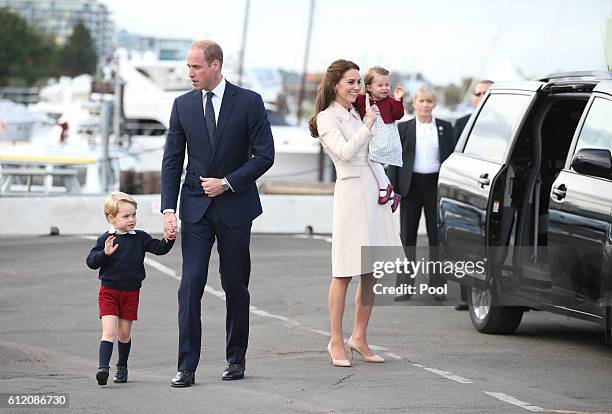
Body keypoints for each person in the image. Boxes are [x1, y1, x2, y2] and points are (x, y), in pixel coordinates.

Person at [161, 40, 274, 387]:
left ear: (215, 65)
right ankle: (186, 367)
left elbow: (265, 156)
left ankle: (235, 358)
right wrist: (168, 209)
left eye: (195, 67)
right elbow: (171, 160)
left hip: (236, 208)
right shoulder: (182, 106)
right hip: (194, 209)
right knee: (189, 285)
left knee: (235, 285)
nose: (190, 73)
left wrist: (226, 183)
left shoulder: (249, 102)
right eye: (188, 67)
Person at [308, 59, 403, 367]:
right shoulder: (327, 118)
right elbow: (346, 153)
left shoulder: (359, 109)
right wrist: (368, 126)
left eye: (358, 81)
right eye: (350, 81)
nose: (356, 87)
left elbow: (379, 148)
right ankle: (335, 340)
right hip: (351, 194)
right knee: (344, 272)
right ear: (335, 84)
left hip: (374, 191)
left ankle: (359, 337)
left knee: (370, 271)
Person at [86, 192, 175, 386]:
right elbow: (91, 262)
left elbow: (159, 248)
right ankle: (103, 368)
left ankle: (122, 366)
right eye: (126, 216)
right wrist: (105, 253)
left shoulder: (140, 238)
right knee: (109, 331)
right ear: (111, 217)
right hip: (108, 292)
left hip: (131, 293)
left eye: (134, 214)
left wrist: (169, 238)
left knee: (124, 334)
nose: (132, 219)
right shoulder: (106, 239)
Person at [388, 85, 455, 301]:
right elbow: (395, 162)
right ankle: (405, 287)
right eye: (421, 101)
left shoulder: (445, 127)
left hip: (435, 186)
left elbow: (451, 159)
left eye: (429, 101)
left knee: (437, 238)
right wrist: (394, 191)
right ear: (414, 103)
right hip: (411, 187)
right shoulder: (404, 128)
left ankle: (437, 285)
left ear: (434, 104)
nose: (425, 105)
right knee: (407, 237)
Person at [453, 79, 493, 310]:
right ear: (473, 98)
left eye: (487, 94)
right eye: (479, 94)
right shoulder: (460, 124)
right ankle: (465, 296)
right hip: (466, 189)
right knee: (464, 242)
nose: (482, 98)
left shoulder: (506, 126)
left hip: (490, 190)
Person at [354, 66, 405, 212]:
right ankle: (392, 195)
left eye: (387, 85)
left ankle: (385, 188)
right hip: (371, 135)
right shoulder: (362, 99)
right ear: (368, 87)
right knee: (371, 160)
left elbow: (398, 114)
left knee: (372, 159)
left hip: (385, 136)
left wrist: (398, 99)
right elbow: (351, 102)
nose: (385, 88)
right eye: (380, 85)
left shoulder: (389, 101)